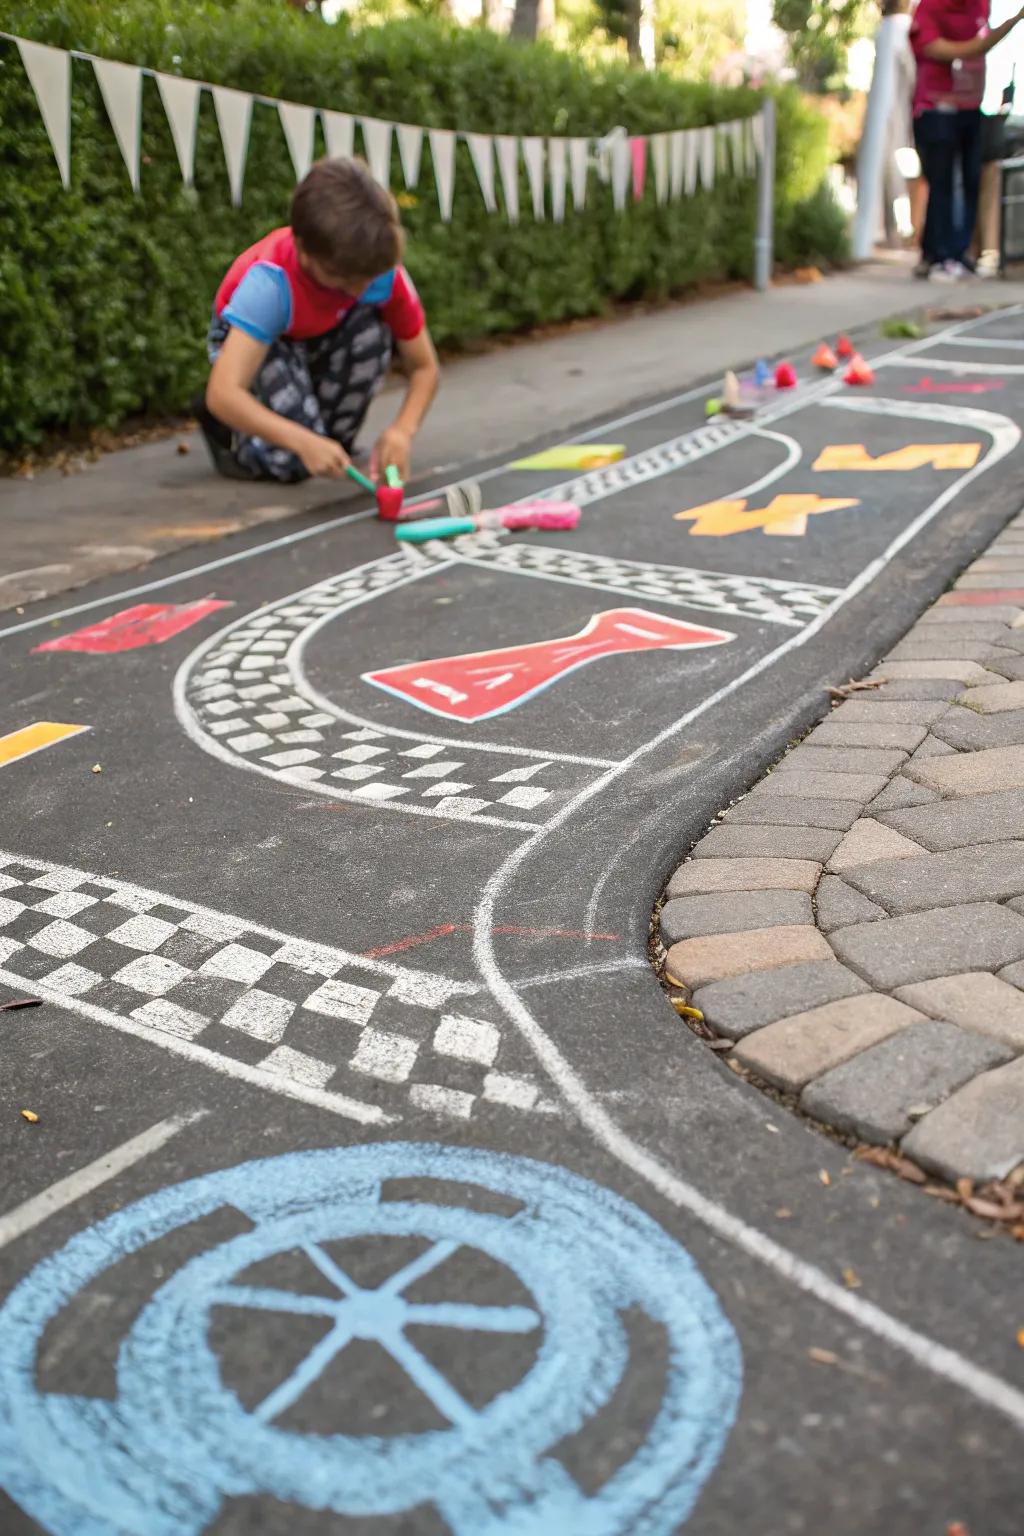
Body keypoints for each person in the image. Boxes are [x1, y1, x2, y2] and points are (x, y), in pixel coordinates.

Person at [197, 156, 439, 483]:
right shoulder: (270, 284)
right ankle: (234, 439)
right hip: (267, 341)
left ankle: (305, 423)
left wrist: (402, 431)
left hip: (320, 331)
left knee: (332, 450)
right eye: (342, 279)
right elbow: (223, 393)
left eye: (367, 279)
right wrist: (302, 441)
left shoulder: (378, 269)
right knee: (293, 460)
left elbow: (425, 367)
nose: (359, 289)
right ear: (303, 251)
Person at [910, 0, 1024, 281]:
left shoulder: (980, 4)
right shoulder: (930, 8)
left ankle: (955, 253)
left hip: (970, 107)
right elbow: (940, 49)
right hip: (935, 107)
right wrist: (1011, 23)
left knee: (971, 179)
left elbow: (981, 44)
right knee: (942, 182)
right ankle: (940, 255)